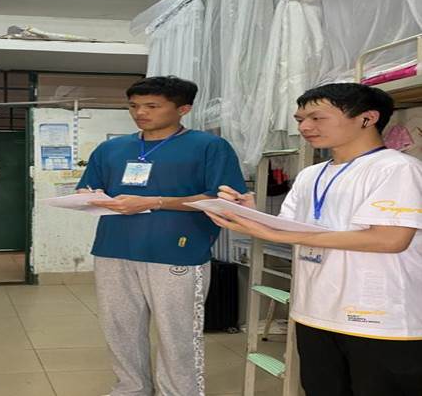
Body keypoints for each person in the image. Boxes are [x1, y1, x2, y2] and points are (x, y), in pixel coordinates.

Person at [205, 83, 422, 396]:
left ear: (367, 118)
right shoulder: (311, 174)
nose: (305, 127)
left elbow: (390, 240)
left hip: (381, 321)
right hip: (315, 312)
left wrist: (269, 232)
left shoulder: (398, 169)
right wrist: (251, 213)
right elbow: (290, 229)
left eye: (317, 118)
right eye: (300, 119)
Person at [76, 76, 247, 396]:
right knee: (120, 328)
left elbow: (223, 199)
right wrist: (89, 196)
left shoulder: (209, 147)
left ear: (183, 109)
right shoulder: (111, 148)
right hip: (113, 249)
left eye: (152, 106)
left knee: (177, 333)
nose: (140, 113)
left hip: (178, 252)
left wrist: (154, 202)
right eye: (134, 106)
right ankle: (131, 389)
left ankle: (179, 392)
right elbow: (89, 188)